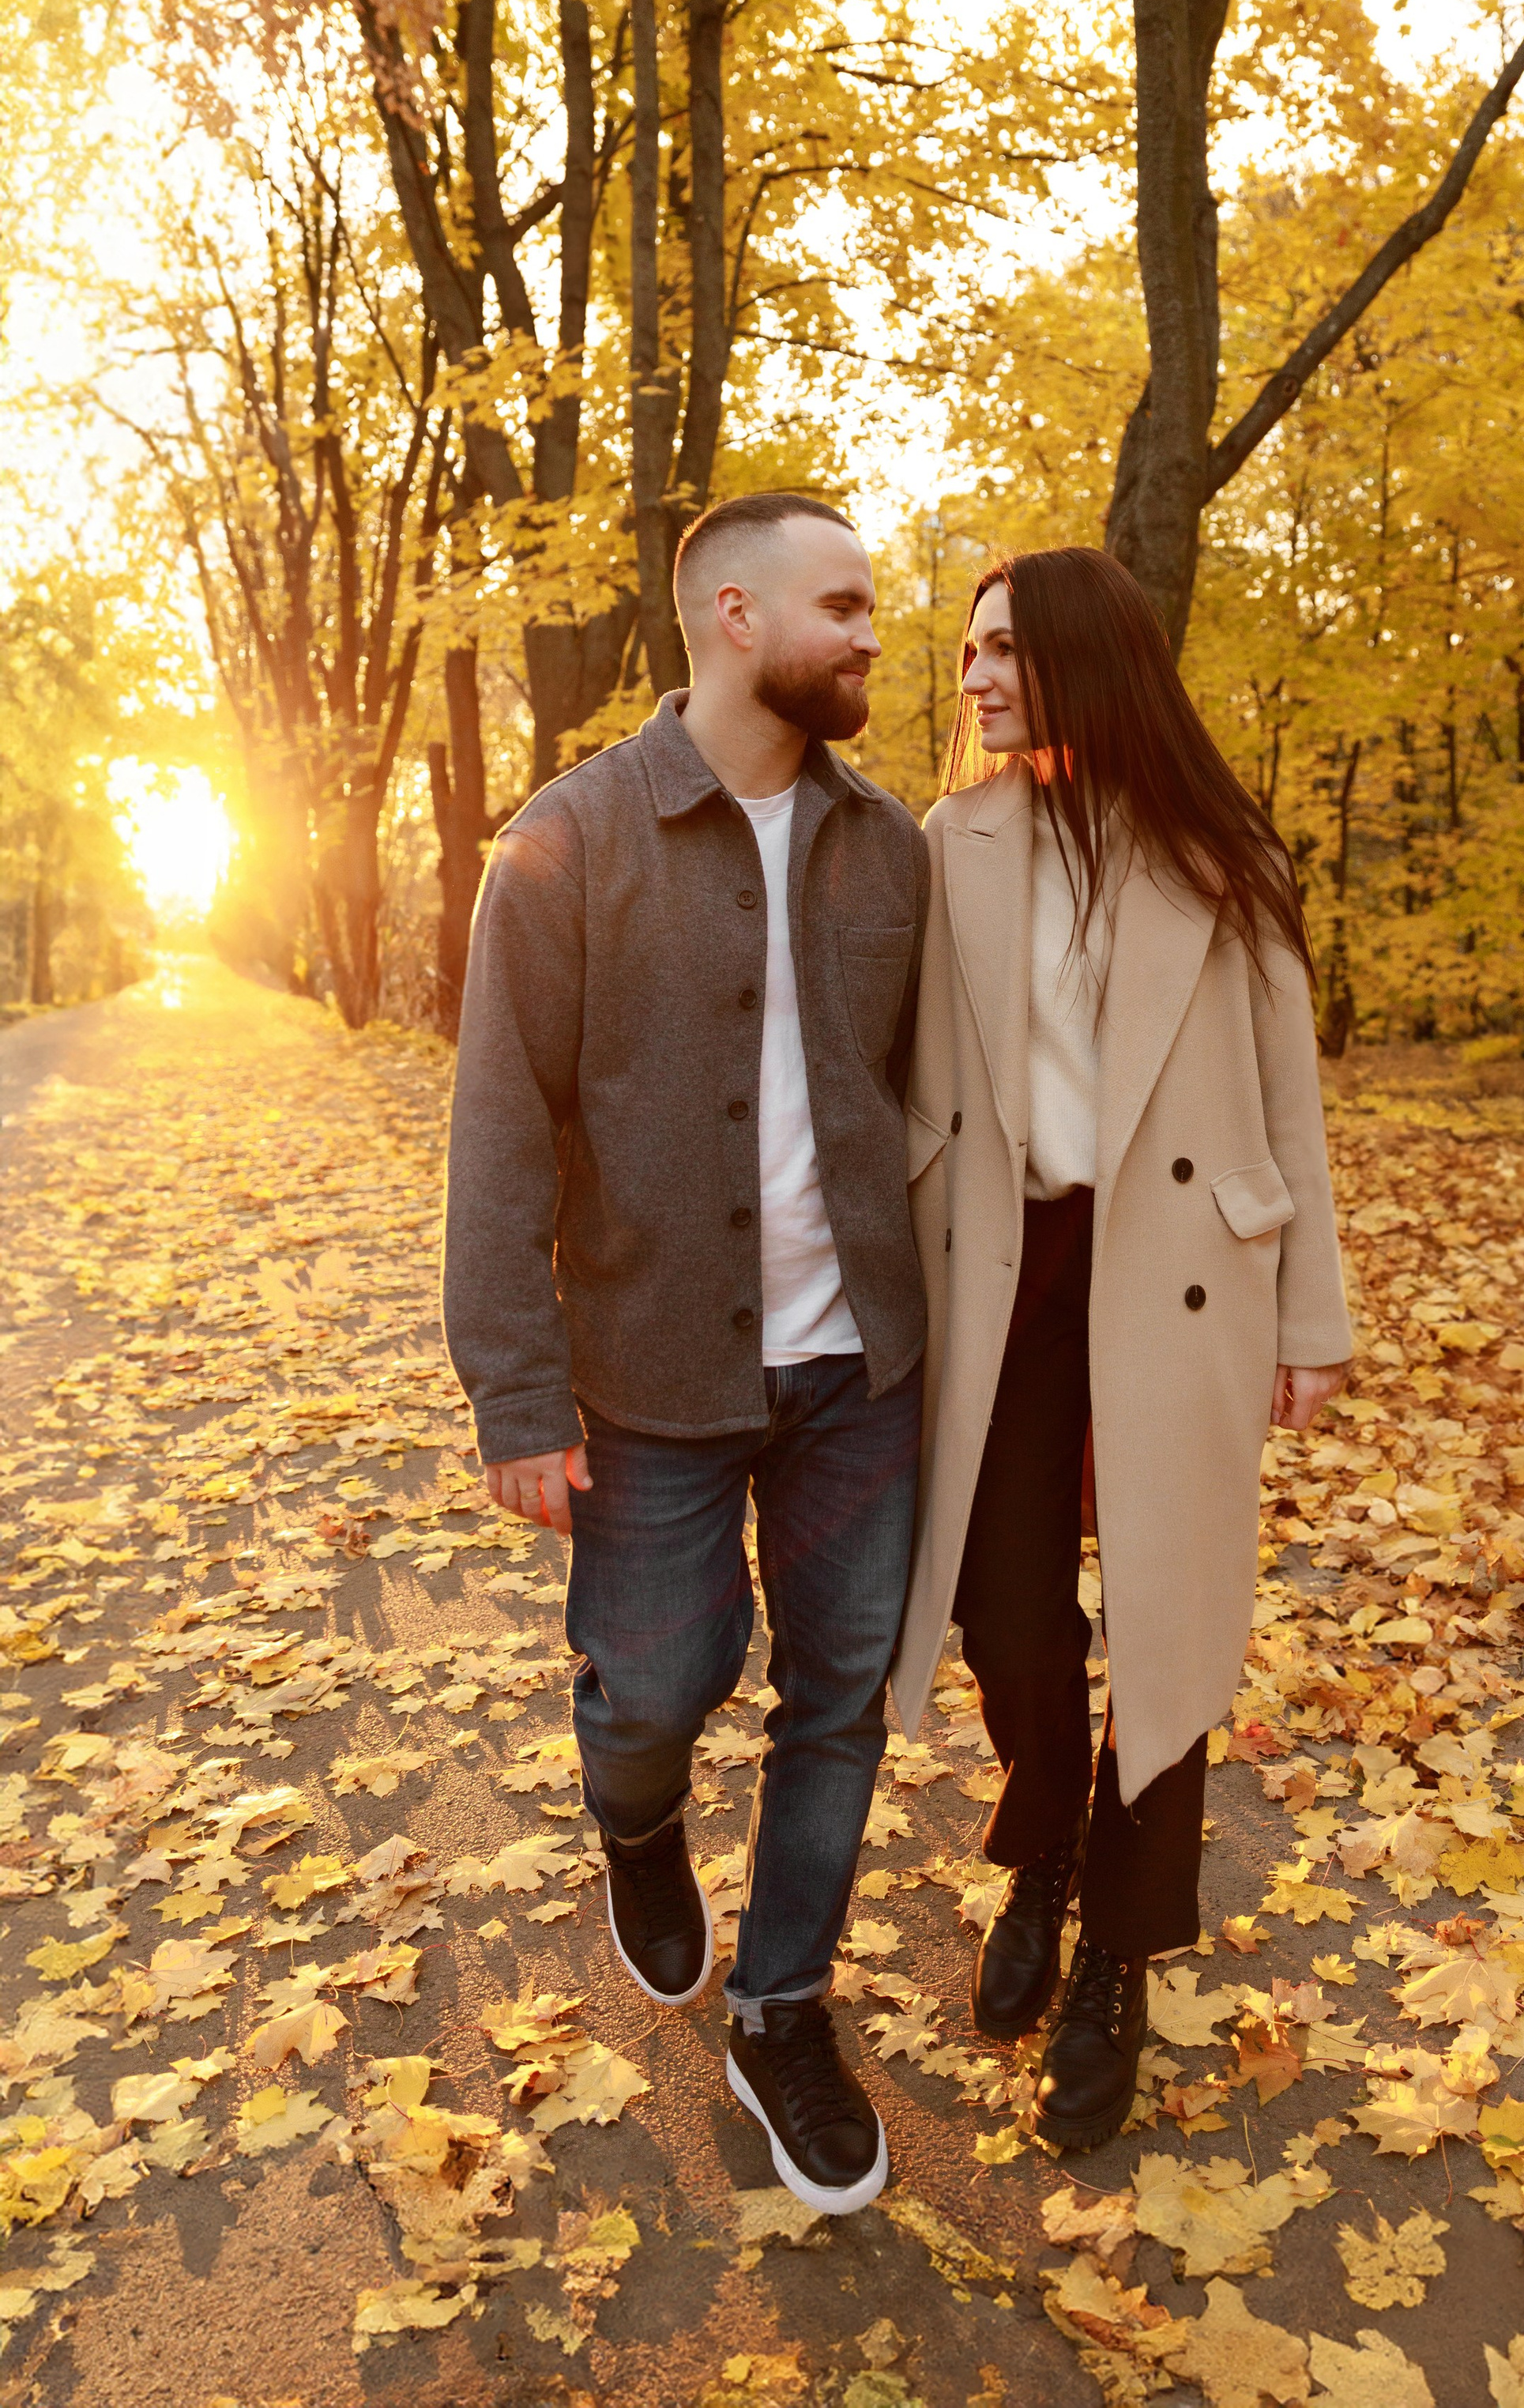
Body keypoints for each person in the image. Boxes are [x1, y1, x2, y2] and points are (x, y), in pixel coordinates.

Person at [441, 492, 928, 2218]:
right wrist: (512, 1389)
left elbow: (920, 1105)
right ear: (735, 614)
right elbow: (500, 1128)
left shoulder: (892, 844)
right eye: (846, 605)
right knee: (653, 1686)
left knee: (840, 1697)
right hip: (647, 1374)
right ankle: (636, 1827)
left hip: (858, 1377)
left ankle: (780, 2007)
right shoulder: (568, 839)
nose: (875, 634)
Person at [890, 546, 1351, 2154]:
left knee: (1163, 1622)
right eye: (964, 650)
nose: (971, 676)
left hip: (1178, 1274)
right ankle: (1041, 1835)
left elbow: (1288, 1099)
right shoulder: (954, 840)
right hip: (1002, 1269)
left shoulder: (1224, 856)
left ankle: (1111, 1955)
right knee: (1003, 1602)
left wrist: (1313, 1311)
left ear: (1083, 656)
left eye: (1001, 647)